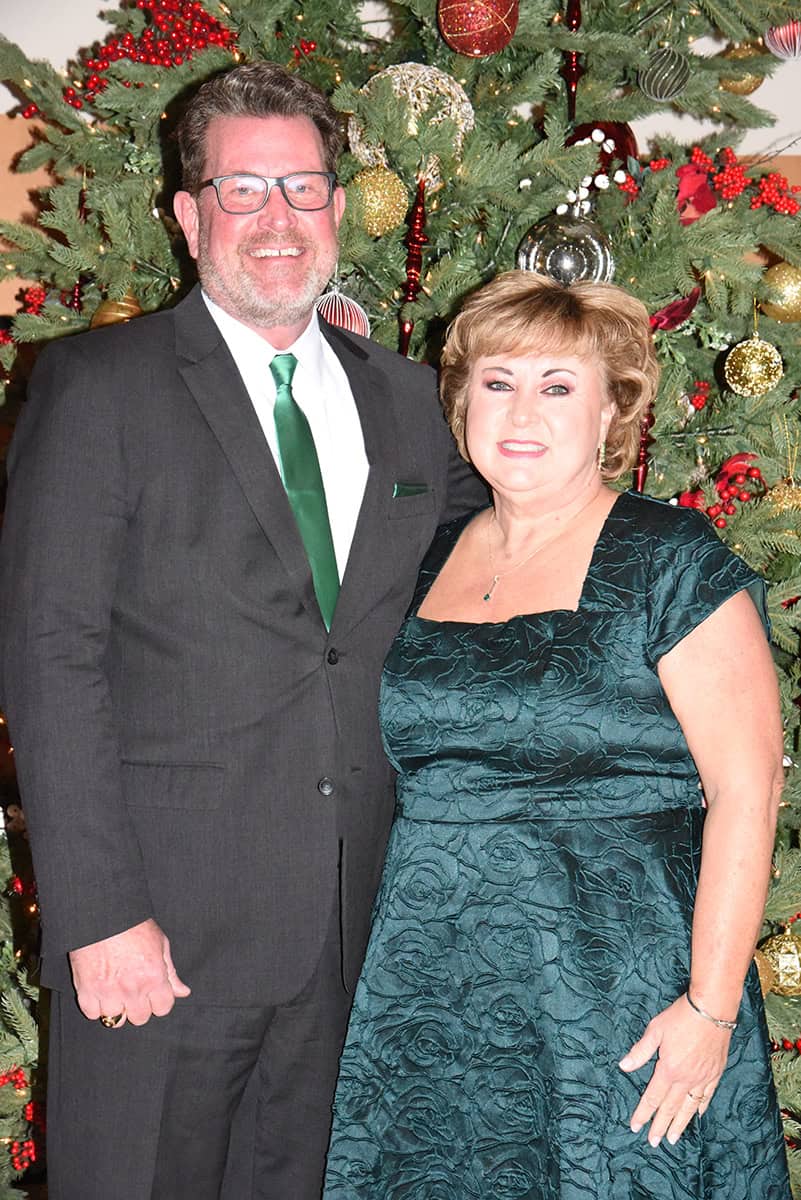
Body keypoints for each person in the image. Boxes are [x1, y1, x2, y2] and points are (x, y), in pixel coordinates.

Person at [0, 61, 484, 1200]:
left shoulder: (407, 402)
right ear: (188, 213)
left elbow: (500, 550)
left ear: (338, 205)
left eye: (304, 189)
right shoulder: (95, 386)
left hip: (352, 928)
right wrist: (101, 911)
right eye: (243, 190)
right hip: (158, 932)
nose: (278, 220)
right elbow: (50, 653)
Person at [322, 270, 791, 1198]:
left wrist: (709, 1008)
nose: (521, 411)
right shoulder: (418, 560)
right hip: (432, 984)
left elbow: (748, 789)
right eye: (497, 382)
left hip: (618, 985)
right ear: (460, 404)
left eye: (558, 386)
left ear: (612, 410)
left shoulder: (669, 557)